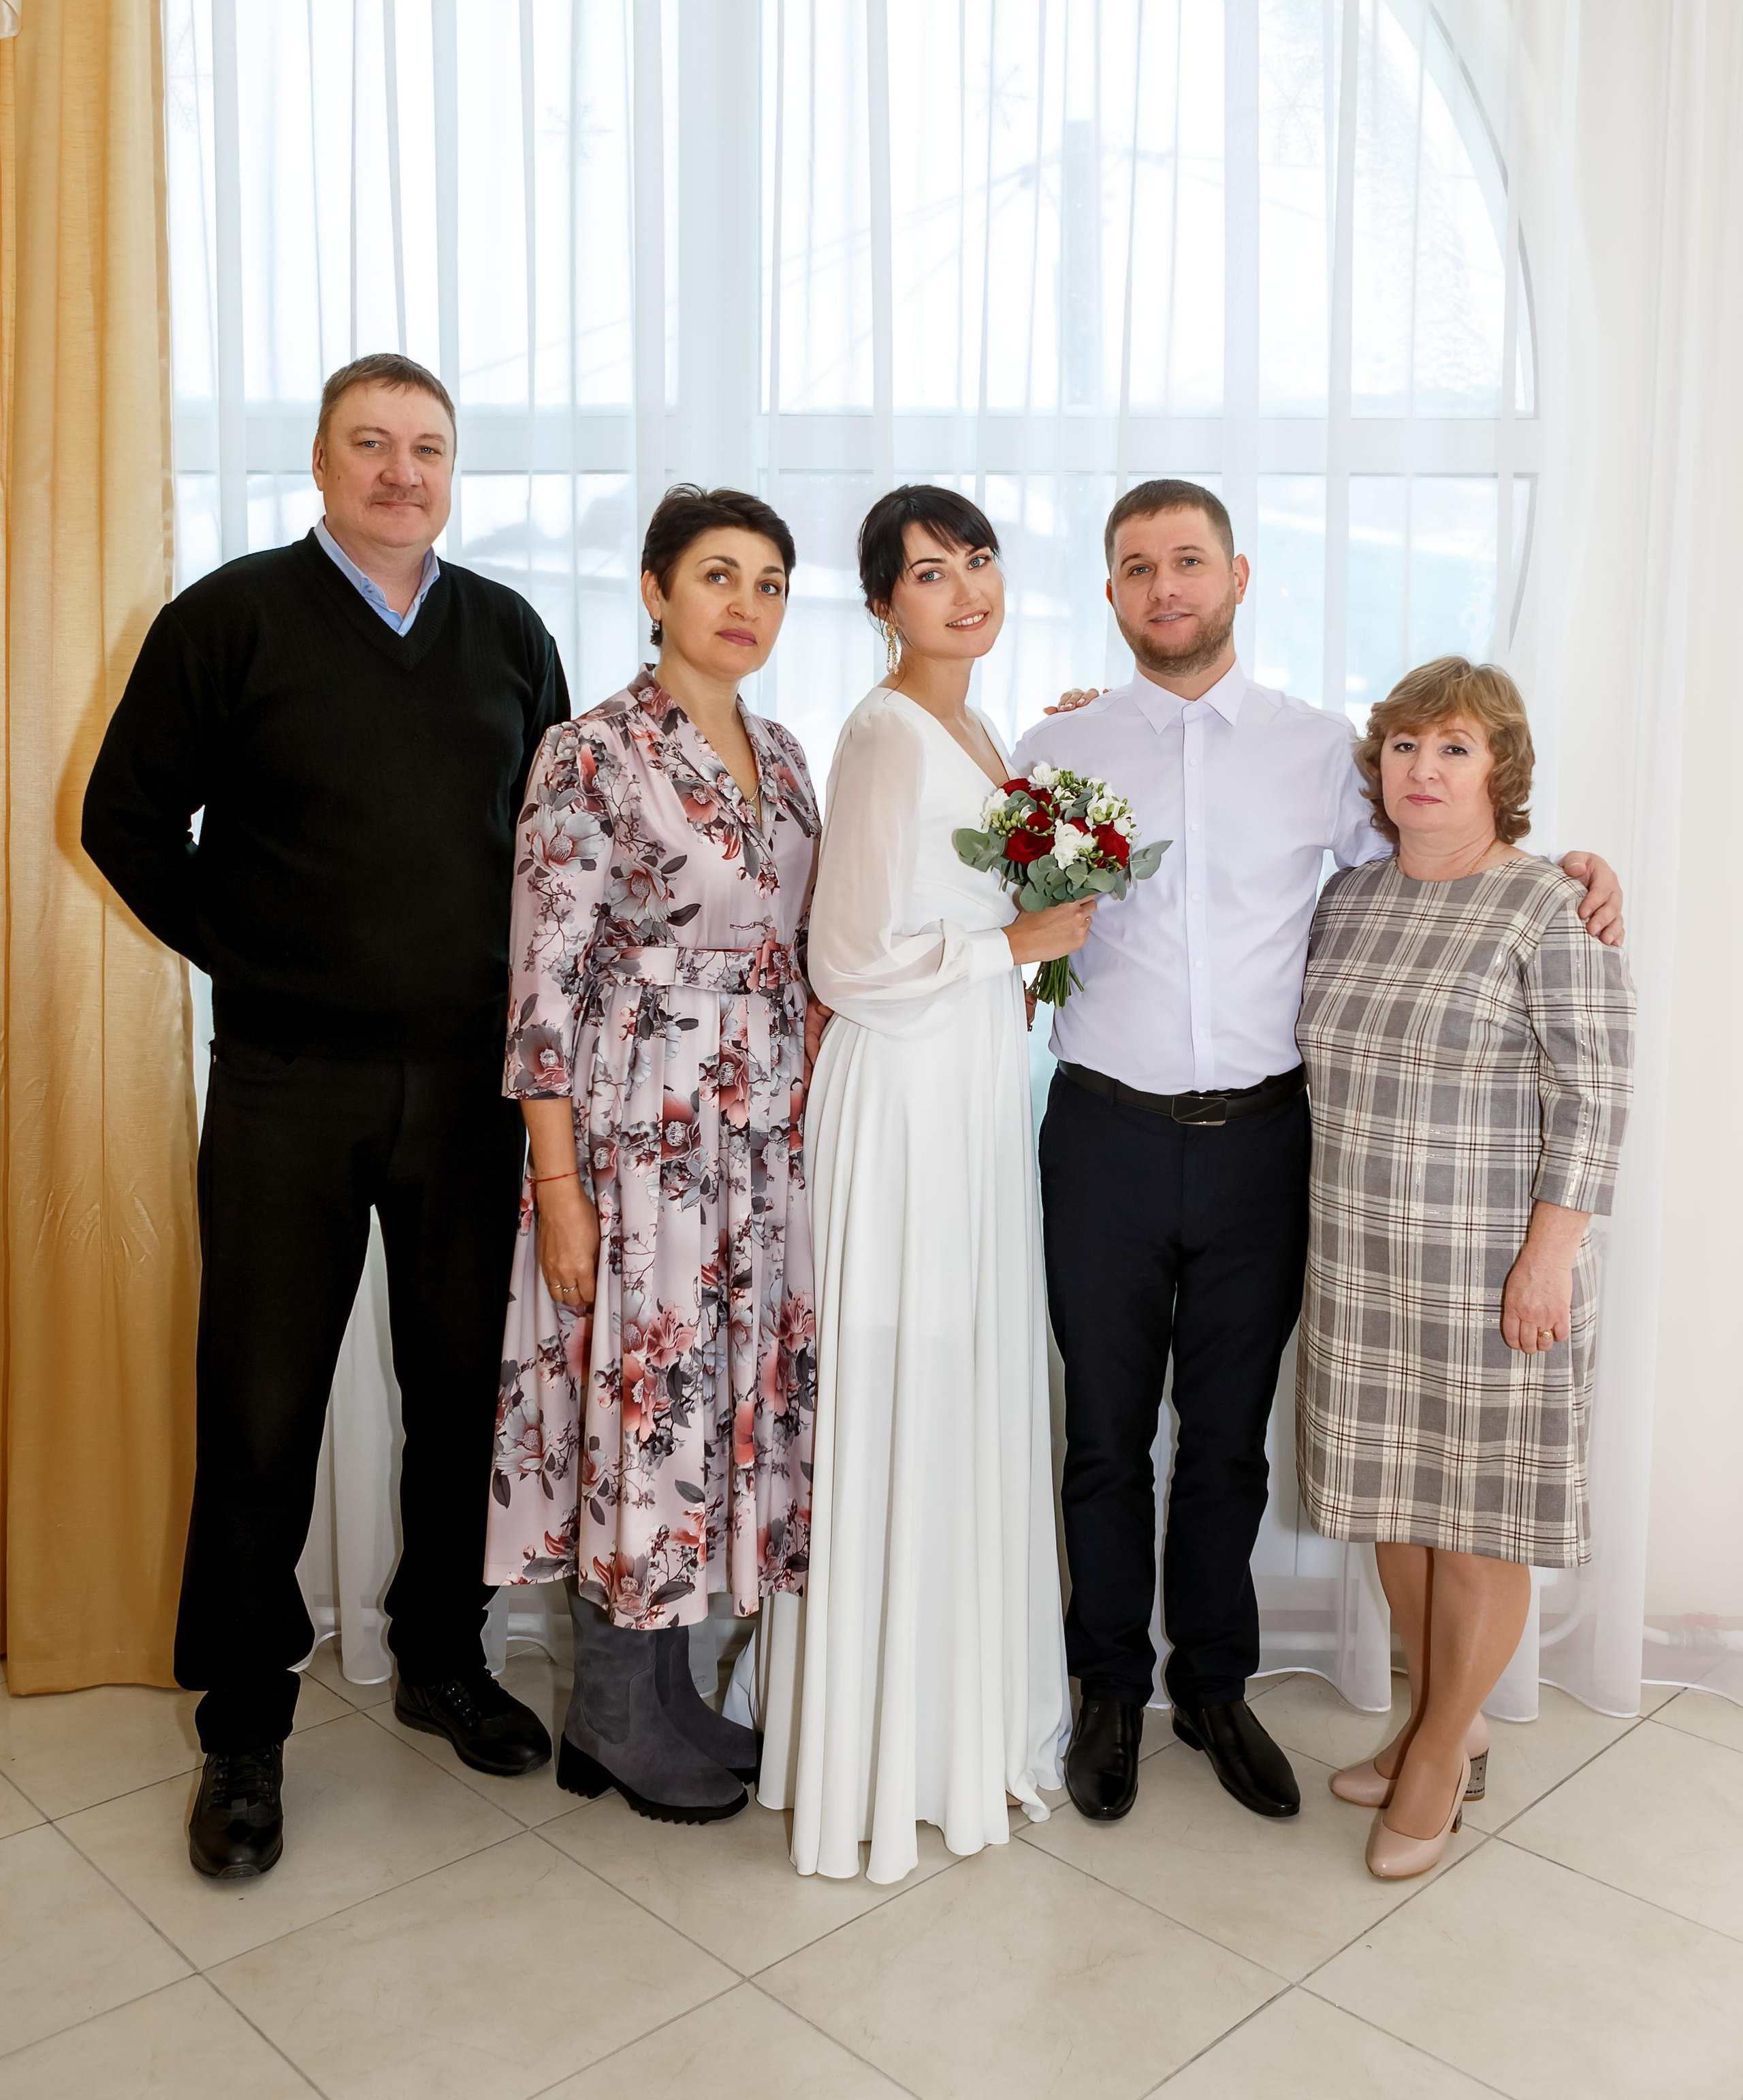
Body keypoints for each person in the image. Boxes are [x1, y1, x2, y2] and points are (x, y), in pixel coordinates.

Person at [1016, 479, 1625, 1829]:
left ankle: (1217, 1690)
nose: (1162, 585)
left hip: (1259, 1150)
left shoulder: (1316, 753)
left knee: (1228, 1441)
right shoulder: (1051, 753)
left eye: (1187, 560)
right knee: (1105, 1441)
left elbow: (1439, 855)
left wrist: (1568, 865)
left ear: (1237, 578)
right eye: (1134, 566)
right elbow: (995, 921)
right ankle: (1111, 1690)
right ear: (1109, 594)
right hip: (1102, 1136)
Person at [81, 354, 566, 1881]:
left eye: (426, 447)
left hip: (470, 1092)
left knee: (455, 1400)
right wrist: (261, 951)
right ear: (317, 459)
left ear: (453, 468)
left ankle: (440, 1658)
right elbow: (123, 821)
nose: (400, 471)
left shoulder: (506, 636)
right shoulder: (230, 619)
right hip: (289, 1086)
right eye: (371, 443)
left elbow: (551, 861)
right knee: (259, 1409)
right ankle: (243, 1729)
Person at [752, 485, 1083, 1883]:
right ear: (881, 603)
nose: (964, 591)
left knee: (963, 1380)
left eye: (979, 564)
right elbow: (849, 963)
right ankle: (881, 1752)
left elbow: (971, 906)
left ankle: (954, 1720)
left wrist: (1041, 863)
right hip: (896, 1090)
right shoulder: (884, 732)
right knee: (905, 1380)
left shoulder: (980, 729)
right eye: (929, 573)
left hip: (967, 1090)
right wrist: (1011, 950)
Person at [488, 487, 823, 1826]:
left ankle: (665, 1694)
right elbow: (541, 978)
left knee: (708, 1407)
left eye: (769, 583)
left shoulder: (788, 755)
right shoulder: (590, 751)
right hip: (640, 1140)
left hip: (758, 1135)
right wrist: (559, 1187)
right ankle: (614, 1715)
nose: (744, 604)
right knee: (643, 1405)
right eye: (717, 576)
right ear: (654, 590)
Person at [1296, 658, 1633, 1878]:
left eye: (1452, 749)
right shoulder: (1348, 901)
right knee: (1394, 1504)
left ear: (1501, 769)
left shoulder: (1550, 906)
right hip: (1359, 1262)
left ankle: (1436, 1757)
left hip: (1494, 1270)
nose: (1421, 770)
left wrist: (1550, 1261)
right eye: (1401, 748)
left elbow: (1593, 1098)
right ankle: (1446, 1716)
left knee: (1480, 1515)